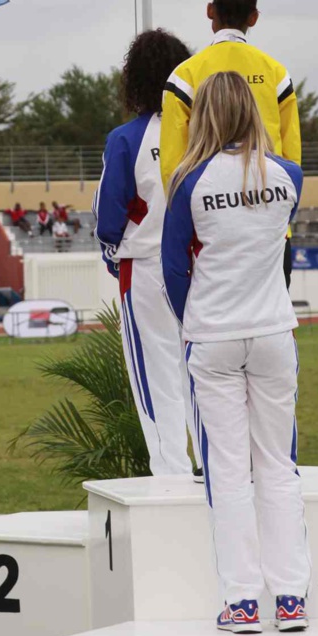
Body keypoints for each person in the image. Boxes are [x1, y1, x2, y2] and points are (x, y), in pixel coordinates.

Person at [162, 71, 310, 634]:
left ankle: (244, 603)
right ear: (253, 110)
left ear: (202, 116)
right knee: (278, 466)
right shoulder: (290, 177)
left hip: (214, 337)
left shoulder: (188, 182)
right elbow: (274, 245)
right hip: (274, 332)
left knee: (228, 471)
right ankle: (291, 598)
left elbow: (175, 267)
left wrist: (192, 320)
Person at [93, 28, 201, 478]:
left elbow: (106, 217)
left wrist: (114, 255)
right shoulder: (201, 132)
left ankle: (172, 476)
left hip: (145, 269)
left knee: (156, 379)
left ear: (134, 79)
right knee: (201, 371)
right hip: (200, 265)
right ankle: (213, 468)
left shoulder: (125, 138)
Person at [160, 0, 301, 288]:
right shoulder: (277, 74)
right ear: (253, 18)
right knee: (274, 323)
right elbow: (292, 161)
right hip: (271, 232)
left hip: (209, 232)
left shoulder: (184, 76)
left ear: (210, 10)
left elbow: (171, 168)